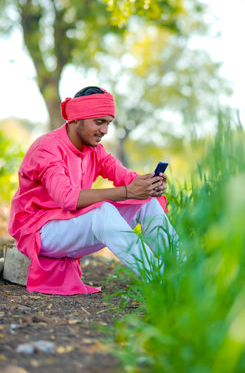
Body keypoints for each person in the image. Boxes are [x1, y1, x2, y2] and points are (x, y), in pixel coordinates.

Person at [8, 86, 178, 295]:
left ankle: (182, 272)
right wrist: (127, 192)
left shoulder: (95, 150)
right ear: (77, 119)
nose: (105, 131)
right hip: (39, 232)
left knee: (146, 203)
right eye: (99, 122)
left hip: (71, 223)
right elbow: (67, 198)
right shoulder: (47, 148)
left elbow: (126, 177)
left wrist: (149, 185)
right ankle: (160, 280)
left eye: (108, 123)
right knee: (103, 212)